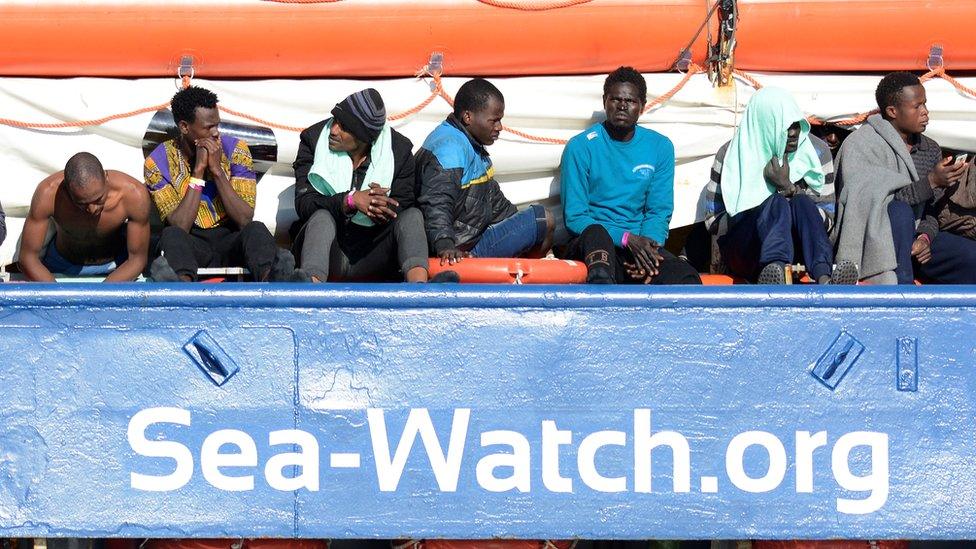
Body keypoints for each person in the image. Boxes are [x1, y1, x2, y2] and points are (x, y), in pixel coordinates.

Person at [144, 85, 303, 282]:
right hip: (192, 242)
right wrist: (198, 171)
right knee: (172, 235)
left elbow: (244, 218)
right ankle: (181, 287)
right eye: (208, 127)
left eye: (217, 125)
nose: (216, 133)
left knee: (256, 229)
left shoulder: (236, 150)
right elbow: (180, 224)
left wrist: (217, 171)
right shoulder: (157, 162)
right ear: (185, 127)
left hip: (231, 238)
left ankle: (271, 280)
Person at [292, 88, 453, 282]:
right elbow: (304, 204)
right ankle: (311, 292)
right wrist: (350, 200)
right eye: (334, 121)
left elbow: (404, 203)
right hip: (328, 252)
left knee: (412, 216)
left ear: (364, 138)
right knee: (321, 217)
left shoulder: (399, 151)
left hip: (374, 253)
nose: (333, 130)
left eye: (343, 127)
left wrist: (382, 206)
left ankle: (420, 290)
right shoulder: (313, 140)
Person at [559, 66, 700, 285]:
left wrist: (647, 252)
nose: (622, 106)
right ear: (605, 101)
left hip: (639, 246)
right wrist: (626, 239)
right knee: (598, 247)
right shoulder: (580, 147)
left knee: (686, 277)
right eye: (615, 99)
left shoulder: (660, 147)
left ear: (642, 107)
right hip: (596, 243)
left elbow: (658, 210)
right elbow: (576, 217)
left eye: (631, 101)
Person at [703, 87, 857, 284]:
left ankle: (825, 278)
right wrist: (760, 209)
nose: (793, 133)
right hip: (747, 248)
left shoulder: (817, 152)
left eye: (797, 125)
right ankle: (774, 272)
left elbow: (827, 220)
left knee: (800, 202)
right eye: (785, 126)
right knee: (775, 205)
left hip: (801, 249)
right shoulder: (731, 154)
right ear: (765, 125)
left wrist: (789, 188)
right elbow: (712, 221)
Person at [834, 72, 971, 284]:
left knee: (970, 258)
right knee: (900, 212)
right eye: (917, 106)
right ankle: (902, 293)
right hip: (878, 239)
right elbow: (884, 205)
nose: (925, 112)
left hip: (919, 241)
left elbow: (930, 210)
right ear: (892, 111)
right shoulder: (861, 145)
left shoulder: (930, 149)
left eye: (925, 104)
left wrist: (924, 238)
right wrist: (932, 181)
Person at [416, 78, 554, 265]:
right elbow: (436, 203)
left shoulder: (470, 144)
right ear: (468, 117)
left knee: (540, 225)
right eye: (494, 120)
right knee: (544, 218)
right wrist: (446, 246)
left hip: (472, 240)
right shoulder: (450, 147)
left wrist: (523, 228)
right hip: (459, 252)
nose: (499, 127)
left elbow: (494, 202)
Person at [19, 152, 150, 281]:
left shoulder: (133, 195)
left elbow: (137, 259)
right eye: (82, 204)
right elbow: (28, 259)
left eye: (98, 199)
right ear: (67, 190)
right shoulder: (48, 194)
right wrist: (60, 297)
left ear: (106, 178)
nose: (92, 209)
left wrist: (99, 297)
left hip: (117, 267)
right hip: (60, 264)